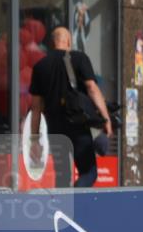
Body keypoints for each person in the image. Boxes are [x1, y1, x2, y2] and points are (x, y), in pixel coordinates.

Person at [29, 27, 111, 187]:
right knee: (89, 173)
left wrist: (34, 140)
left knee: (62, 177)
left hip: (55, 129)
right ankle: (76, 201)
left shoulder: (39, 67)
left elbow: (36, 107)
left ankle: (64, 209)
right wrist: (105, 118)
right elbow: (92, 89)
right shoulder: (79, 58)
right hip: (77, 125)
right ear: (68, 41)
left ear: (52, 43)